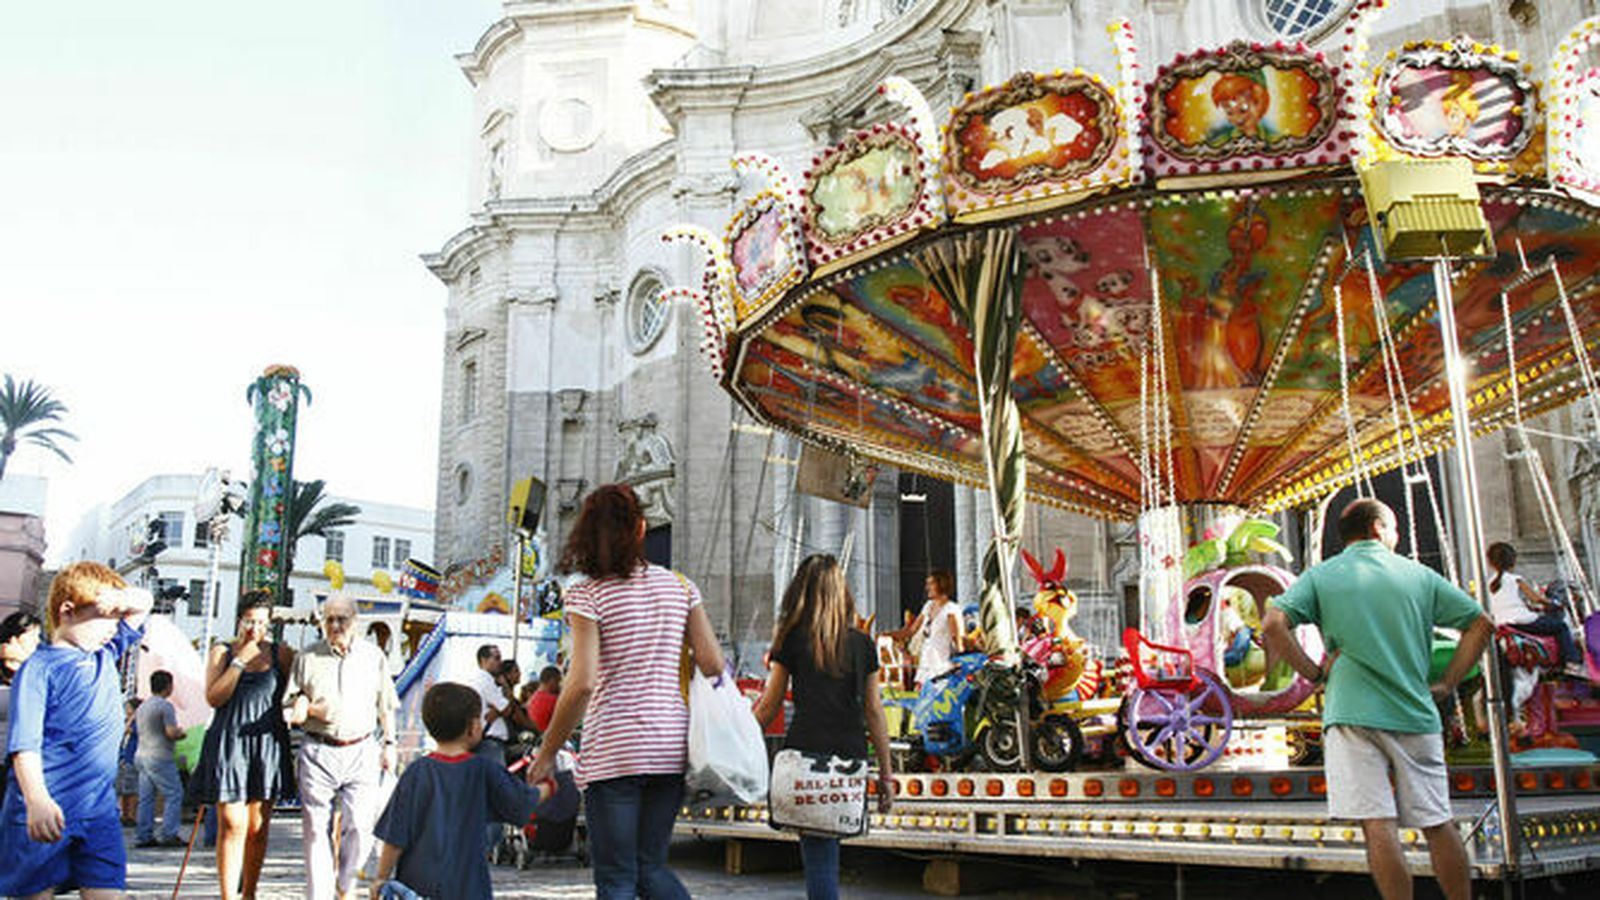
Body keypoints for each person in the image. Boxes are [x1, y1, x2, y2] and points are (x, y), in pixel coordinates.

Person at [1263, 499, 1493, 900]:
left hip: (1350, 712)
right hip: (1414, 711)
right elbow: (1481, 624)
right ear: (1377, 530)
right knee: (1438, 821)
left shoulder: (1322, 576)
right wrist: (1448, 682)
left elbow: (1272, 623)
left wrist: (1314, 674)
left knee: (1378, 824)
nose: (1397, 537)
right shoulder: (1418, 575)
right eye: (1395, 530)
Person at [528, 483, 725, 900]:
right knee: (650, 867)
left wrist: (547, 753)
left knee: (617, 877)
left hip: (614, 750)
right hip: (669, 747)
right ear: (639, 529)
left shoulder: (586, 593)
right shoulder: (681, 587)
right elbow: (712, 663)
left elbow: (581, 682)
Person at [0, 562, 151, 900]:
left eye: (117, 617)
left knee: (108, 892)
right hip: (45, 806)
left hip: (97, 808)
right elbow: (24, 745)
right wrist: (37, 799)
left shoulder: (104, 655)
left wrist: (115, 599)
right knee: (35, 894)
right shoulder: (38, 668)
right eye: (106, 617)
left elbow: (145, 602)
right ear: (67, 611)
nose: (115, 626)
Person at [753, 554, 894, 900]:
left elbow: (770, 706)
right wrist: (886, 774)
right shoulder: (863, 644)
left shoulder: (792, 640)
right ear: (841, 593)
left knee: (818, 860)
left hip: (805, 756)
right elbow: (875, 713)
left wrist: (736, 739)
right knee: (826, 852)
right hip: (849, 759)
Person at [371, 682, 574, 900]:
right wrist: (548, 787)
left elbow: (395, 836)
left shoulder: (416, 773)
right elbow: (521, 802)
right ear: (472, 727)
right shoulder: (484, 770)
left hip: (418, 885)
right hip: (468, 885)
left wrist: (381, 877)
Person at [282, 594, 399, 900]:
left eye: (341, 619)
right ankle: (318, 895)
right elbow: (289, 703)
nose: (335, 625)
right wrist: (304, 704)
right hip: (318, 749)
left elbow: (386, 704)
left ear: (355, 622)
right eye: (329, 619)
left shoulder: (373, 657)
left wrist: (390, 743)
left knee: (360, 827)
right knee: (314, 829)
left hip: (362, 748)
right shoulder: (307, 657)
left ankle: (345, 888)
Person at [188, 590, 294, 900]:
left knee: (257, 826)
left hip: (266, 741)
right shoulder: (222, 651)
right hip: (229, 740)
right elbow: (213, 697)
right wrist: (239, 662)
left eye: (261, 623)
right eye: (249, 621)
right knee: (231, 822)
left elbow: (296, 687)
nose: (255, 629)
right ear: (239, 620)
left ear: (270, 623)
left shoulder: (281, 653)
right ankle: (227, 895)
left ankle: (249, 893)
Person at [1485, 542, 1584, 673]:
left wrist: (1529, 608)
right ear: (1513, 561)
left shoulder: (1489, 583)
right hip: (1521, 621)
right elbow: (1536, 598)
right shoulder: (1516, 579)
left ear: (1491, 563)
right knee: (1561, 627)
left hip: (1501, 621)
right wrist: (1552, 604)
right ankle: (1572, 662)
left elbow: (1508, 602)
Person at [133, 670, 187, 848]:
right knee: (174, 794)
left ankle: (143, 835)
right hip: (160, 756)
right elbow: (170, 732)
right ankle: (168, 834)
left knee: (146, 797)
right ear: (168, 686)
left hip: (141, 754)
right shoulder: (165, 706)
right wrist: (181, 734)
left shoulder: (143, 706)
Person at [887, 570, 966, 687]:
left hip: (942, 666)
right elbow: (911, 631)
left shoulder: (951, 609)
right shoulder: (928, 606)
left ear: (941, 584)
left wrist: (957, 663)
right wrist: (887, 635)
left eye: (931, 583)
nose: (927, 587)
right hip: (926, 663)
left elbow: (958, 641)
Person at [1, 610, 42, 784]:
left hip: (19, 763)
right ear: (14, 638)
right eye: (32, 635)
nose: (37, 641)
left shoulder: (35, 674)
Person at [525, 666, 561, 734]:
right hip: (546, 736)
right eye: (558, 681)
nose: (559, 685)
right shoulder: (552, 699)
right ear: (552, 681)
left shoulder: (534, 697)